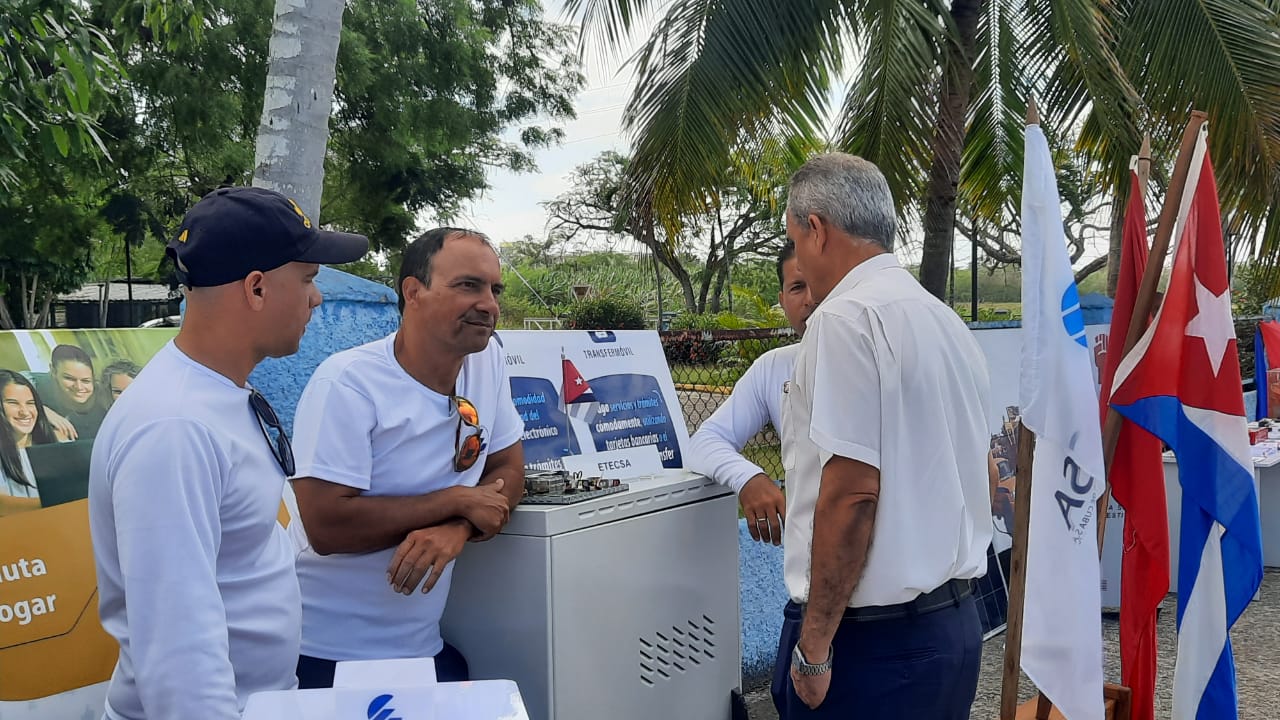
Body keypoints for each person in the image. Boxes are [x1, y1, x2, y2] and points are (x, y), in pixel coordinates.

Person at [88, 186, 368, 719]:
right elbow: (178, 652)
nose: (317, 298)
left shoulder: (218, 394)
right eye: (308, 279)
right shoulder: (175, 427)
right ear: (257, 288)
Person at [774, 153, 993, 719]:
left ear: (816, 230)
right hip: (951, 629)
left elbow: (851, 495)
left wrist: (816, 646)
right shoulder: (945, 322)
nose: (798, 260)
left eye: (796, 242)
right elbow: (984, 471)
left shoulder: (844, 320)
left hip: (870, 644)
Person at [289, 227, 525, 689]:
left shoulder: (487, 361)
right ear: (413, 292)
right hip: (327, 654)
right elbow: (326, 527)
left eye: (494, 289)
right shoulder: (348, 383)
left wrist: (459, 527)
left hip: (422, 645)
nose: (489, 305)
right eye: (467, 285)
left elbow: (507, 467)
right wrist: (455, 500)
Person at [687, 241, 813, 544]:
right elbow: (705, 441)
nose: (811, 298)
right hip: (812, 564)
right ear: (782, 301)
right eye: (797, 287)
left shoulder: (877, 361)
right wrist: (748, 478)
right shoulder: (774, 368)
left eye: (821, 283)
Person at [0, 369, 64, 515]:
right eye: (12, 403)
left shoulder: (58, 444)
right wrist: (59, 501)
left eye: (30, 403)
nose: (25, 412)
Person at [36, 344, 107, 440]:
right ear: (53, 371)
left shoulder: (106, 395)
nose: (79, 387)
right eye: (69, 378)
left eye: (86, 381)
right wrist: (40, 409)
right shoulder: (37, 384)